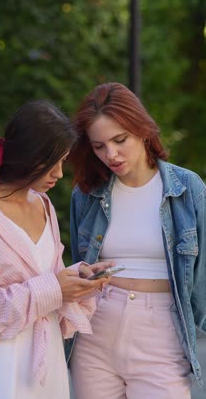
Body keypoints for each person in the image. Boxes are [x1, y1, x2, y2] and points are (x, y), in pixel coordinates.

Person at [0, 99, 111, 399]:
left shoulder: (43, 204)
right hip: (1, 366)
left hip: (50, 363)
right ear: (26, 156)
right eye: (52, 163)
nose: (59, 174)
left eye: (63, 161)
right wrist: (51, 290)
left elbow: (50, 279)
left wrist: (77, 279)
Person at [69, 82, 206, 398]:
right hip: (96, 330)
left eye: (120, 140)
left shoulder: (187, 189)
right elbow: (81, 264)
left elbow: (202, 274)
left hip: (161, 332)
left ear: (143, 131)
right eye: (98, 146)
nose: (111, 155)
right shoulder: (86, 194)